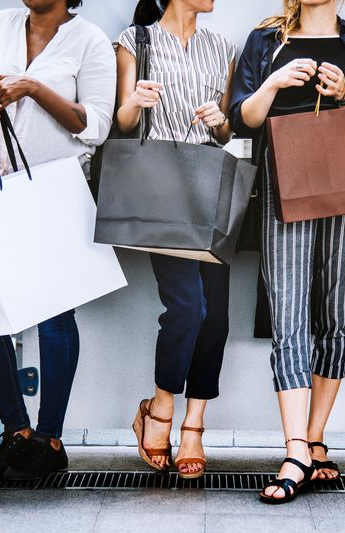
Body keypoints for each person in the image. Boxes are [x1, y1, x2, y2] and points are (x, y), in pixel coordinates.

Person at [230, 0, 345, 503]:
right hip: (284, 185)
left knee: (336, 314)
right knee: (290, 313)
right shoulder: (266, 40)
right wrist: (273, 84)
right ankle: (295, 448)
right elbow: (241, 120)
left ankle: (316, 438)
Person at [0, 0, 116, 479]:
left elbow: (96, 126)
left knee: (53, 317)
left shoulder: (88, 41)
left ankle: (50, 439)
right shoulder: (1, 23)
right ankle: (16, 431)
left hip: (57, 191)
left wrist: (32, 88)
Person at [116, 0, 236, 480]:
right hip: (160, 188)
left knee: (218, 316)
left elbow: (228, 131)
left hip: (210, 186)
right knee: (189, 307)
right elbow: (123, 124)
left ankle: (194, 425)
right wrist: (137, 103)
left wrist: (217, 120)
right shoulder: (135, 42)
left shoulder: (223, 47)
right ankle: (160, 404)